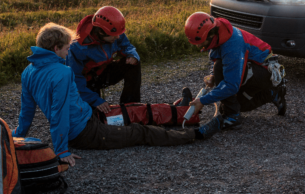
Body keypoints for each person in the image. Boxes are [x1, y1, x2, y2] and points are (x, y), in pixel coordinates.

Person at [14, 23, 194, 166]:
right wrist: (61, 151)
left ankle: (180, 112)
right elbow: (58, 113)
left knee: (129, 111)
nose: (69, 50)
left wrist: (18, 136)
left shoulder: (28, 72)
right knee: (139, 132)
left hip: (88, 117)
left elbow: (27, 111)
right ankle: (192, 134)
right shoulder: (62, 72)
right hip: (85, 132)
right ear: (56, 48)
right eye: (67, 47)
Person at [184, 12, 286, 140]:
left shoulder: (232, 45)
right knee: (239, 104)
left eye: (200, 43)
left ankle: (232, 117)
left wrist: (202, 101)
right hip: (253, 67)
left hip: (265, 72)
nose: (200, 47)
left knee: (222, 74)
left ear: (210, 34)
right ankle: (272, 93)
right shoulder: (218, 32)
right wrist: (212, 76)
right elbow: (217, 56)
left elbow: (231, 85)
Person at [66, 6, 141, 113]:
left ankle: (131, 107)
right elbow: (74, 80)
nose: (118, 37)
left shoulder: (114, 30)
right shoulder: (77, 47)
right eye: (114, 36)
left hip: (104, 73)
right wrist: (95, 100)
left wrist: (132, 55)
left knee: (134, 63)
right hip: (87, 82)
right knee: (96, 116)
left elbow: (126, 45)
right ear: (101, 32)